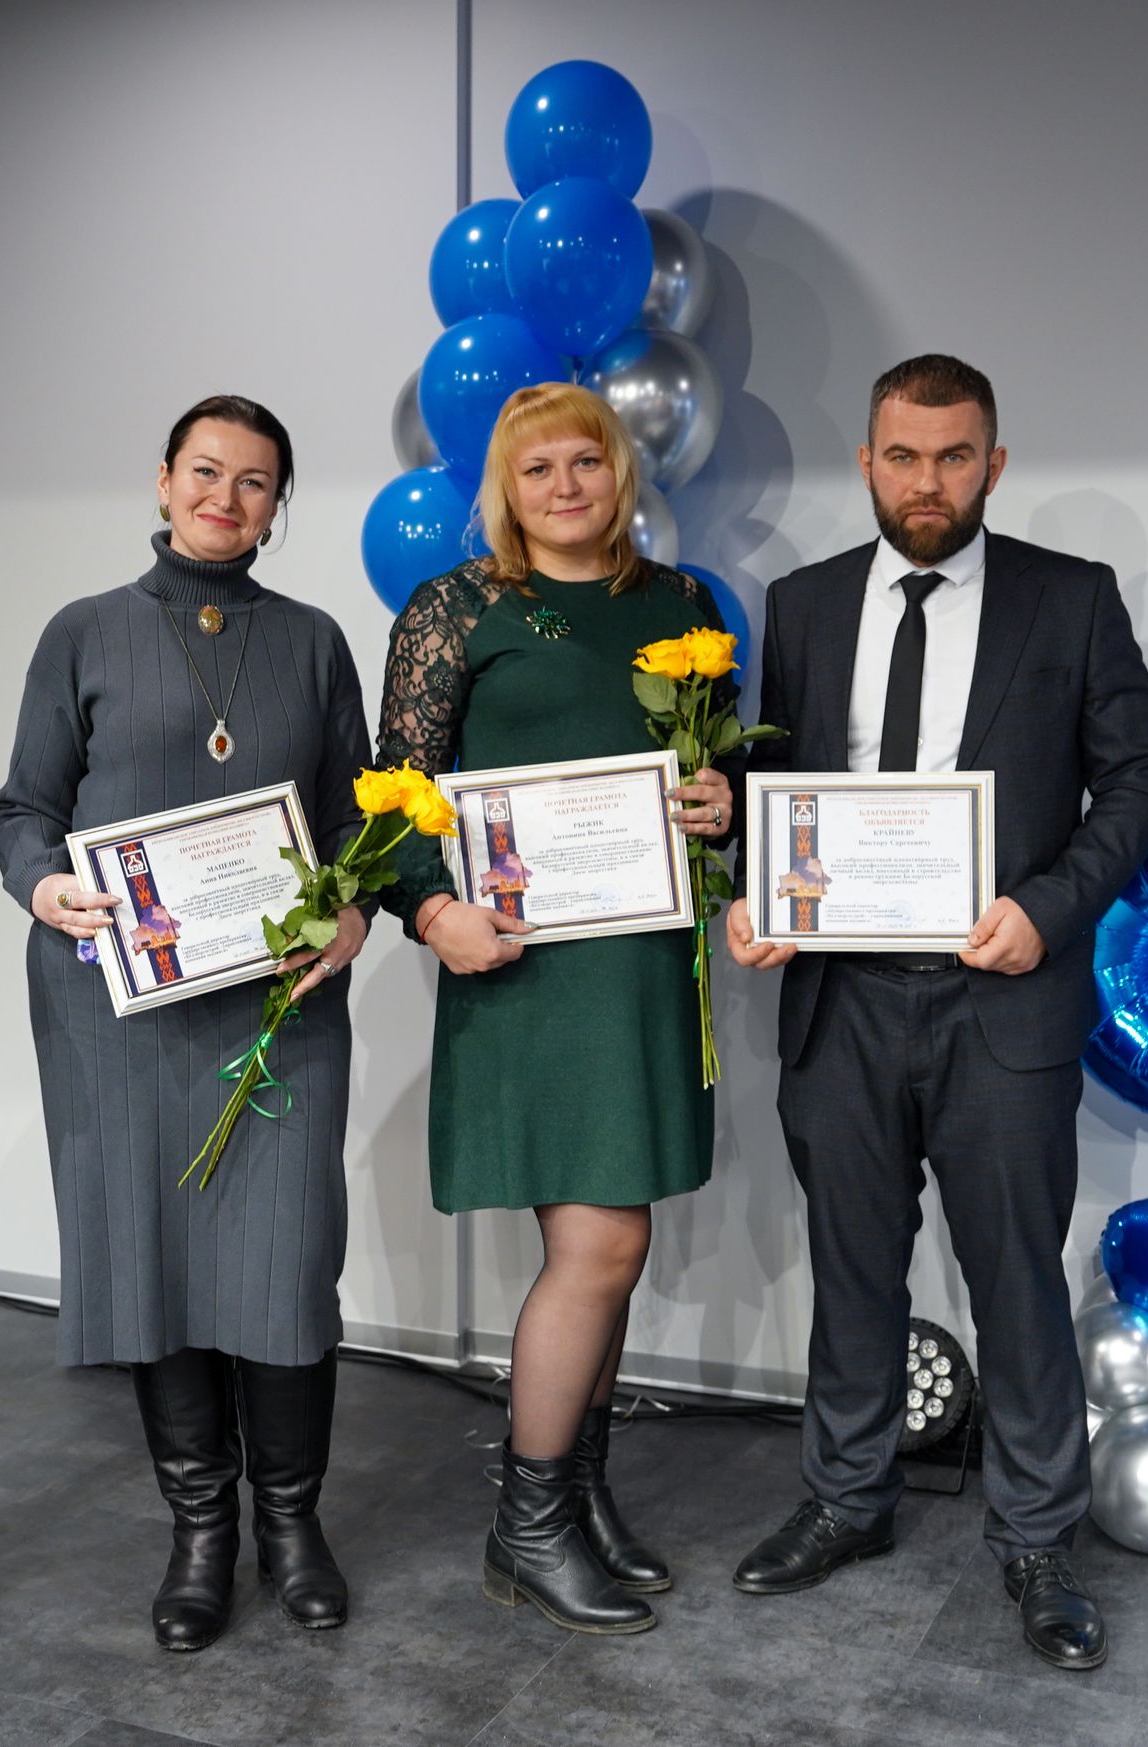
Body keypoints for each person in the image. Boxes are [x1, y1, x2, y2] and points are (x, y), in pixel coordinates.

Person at [725, 355, 1148, 1672]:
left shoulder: (1069, 599)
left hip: (1003, 999)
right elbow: (777, 790)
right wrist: (756, 895)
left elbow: (1139, 783)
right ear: (868, 461)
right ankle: (847, 1497)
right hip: (844, 999)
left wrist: (1047, 905)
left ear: (994, 462)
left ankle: (1038, 1536)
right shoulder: (803, 604)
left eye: (955, 455)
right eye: (904, 456)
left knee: (1016, 1280)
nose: (928, 482)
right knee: (853, 1268)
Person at [0, 396, 370, 1648]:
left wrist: (352, 915)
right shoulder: (84, 631)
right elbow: (24, 808)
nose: (226, 496)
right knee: (152, 1262)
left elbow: (354, 820)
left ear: (277, 505)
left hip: (278, 1009)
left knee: (285, 1264)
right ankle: (201, 1530)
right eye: (205, 471)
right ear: (162, 481)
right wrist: (43, 885)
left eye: (255, 481)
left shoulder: (313, 642)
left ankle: (292, 1524)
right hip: (120, 1012)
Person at [375, 382, 737, 1636]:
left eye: (585, 461)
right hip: (528, 966)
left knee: (616, 1242)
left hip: (643, 961)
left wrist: (720, 801)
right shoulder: (455, 609)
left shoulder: (681, 606)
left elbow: (714, 766)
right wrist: (432, 909)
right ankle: (526, 1530)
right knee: (603, 1246)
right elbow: (397, 797)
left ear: (618, 472)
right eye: (538, 470)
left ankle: (577, 1499)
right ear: (505, 491)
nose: (565, 486)